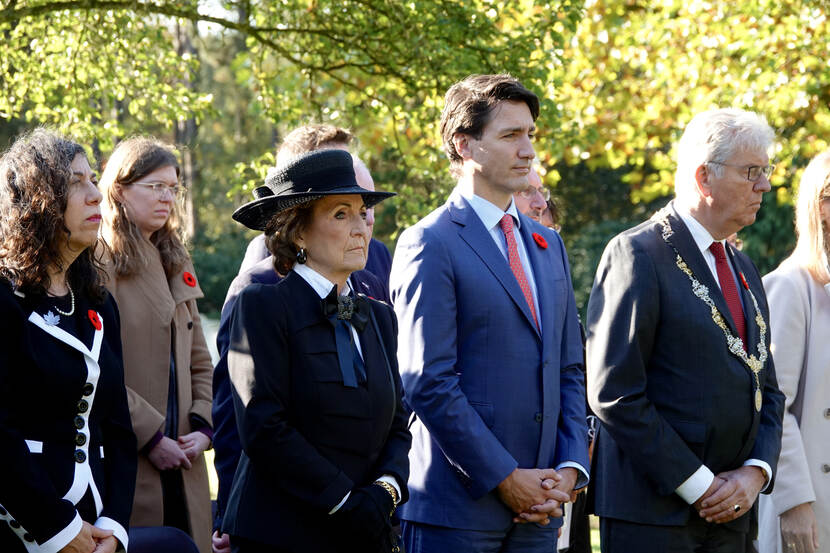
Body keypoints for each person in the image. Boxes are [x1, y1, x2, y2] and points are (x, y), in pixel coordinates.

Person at [391, 73, 589, 552]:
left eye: (530, 135)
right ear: (464, 145)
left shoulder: (548, 245)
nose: (528, 150)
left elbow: (568, 367)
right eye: (510, 135)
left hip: (541, 510)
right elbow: (428, 381)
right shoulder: (429, 242)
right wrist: (504, 477)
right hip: (456, 512)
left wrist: (569, 469)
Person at [585, 108, 786, 552]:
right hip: (655, 516)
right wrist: (699, 484)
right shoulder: (637, 254)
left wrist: (755, 473)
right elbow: (614, 392)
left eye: (765, 171)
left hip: (734, 514)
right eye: (751, 172)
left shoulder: (743, 267)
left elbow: (768, 388)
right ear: (704, 177)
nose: (764, 186)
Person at [210, 125, 388, 553]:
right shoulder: (260, 303)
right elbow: (261, 427)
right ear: (299, 232)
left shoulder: (381, 317)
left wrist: (384, 493)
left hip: (368, 530)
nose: (362, 226)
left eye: (363, 211)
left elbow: (397, 422)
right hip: (285, 532)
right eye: (341, 214)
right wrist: (345, 501)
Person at [0, 129, 136, 553]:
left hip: (97, 525)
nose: (96, 195)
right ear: (37, 200)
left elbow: (118, 430)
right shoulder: (4, 300)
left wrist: (114, 526)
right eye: (76, 183)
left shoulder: (99, 303)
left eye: (93, 180)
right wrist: (57, 529)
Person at [99, 137, 213, 553]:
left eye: (173, 188)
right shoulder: (99, 259)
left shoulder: (175, 256)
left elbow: (199, 357)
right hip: (132, 460)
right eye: (156, 187)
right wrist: (150, 438)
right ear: (119, 189)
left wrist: (203, 426)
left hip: (185, 457)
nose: (167, 197)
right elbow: (98, 367)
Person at [758, 151, 830, 553]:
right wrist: (794, 501)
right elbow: (772, 405)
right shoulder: (789, 286)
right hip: (813, 507)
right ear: (820, 208)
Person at [236, 125, 393, 290]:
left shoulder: (376, 261)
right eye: (340, 214)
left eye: (364, 211)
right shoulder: (259, 287)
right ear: (297, 228)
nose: (367, 222)